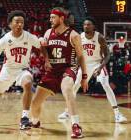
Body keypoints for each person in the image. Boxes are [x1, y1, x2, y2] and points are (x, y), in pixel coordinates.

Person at [0, 10, 45, 129]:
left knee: (28, 82)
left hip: (22, 69)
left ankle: (24, 118)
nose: (20, 24)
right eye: (17, 22)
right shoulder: (4, 40)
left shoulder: (29, 37)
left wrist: (46, 58)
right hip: (7, 70)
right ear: (10, 24)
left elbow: (42, 46)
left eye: (22, 22)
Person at [30, 7, 88, 139]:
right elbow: (42, 48)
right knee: (34, 104)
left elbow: (81, 57)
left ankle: (76, 125)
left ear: (61, 18)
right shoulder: (48, 32)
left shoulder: (74, 35)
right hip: (52, 71)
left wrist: (84, 76)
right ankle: (35, 121)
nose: (50, 20)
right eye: (50, 17)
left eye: (53, 17)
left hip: (68, 67)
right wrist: (44, 55)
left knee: (67, 88)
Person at [58, 17, 127, 123]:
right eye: (85, 25)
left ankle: (117, 114)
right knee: (75, 86)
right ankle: (67, 111)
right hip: (85, 65)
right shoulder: (79, 37)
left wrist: (100, 67)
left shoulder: (99, 37)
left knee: (105, 84)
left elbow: (107, 54)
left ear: (93, 26)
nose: (86, 26)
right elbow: (78, 54)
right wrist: (75, 67)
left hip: (97, 63)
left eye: (89, 24)